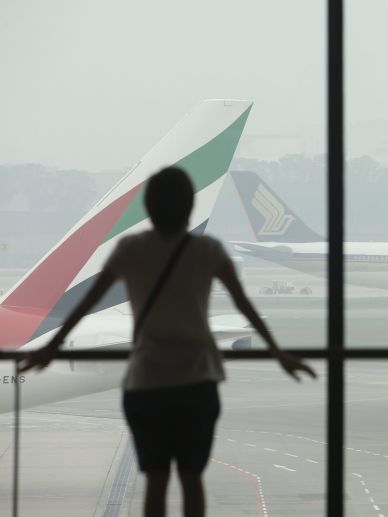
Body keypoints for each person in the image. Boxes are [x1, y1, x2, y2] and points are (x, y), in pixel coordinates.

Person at [20, 166, 316, 517]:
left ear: (150, 205)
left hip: (147, 381)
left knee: (156, 481)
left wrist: (50, 349)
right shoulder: (207, 250)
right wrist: (279, 353)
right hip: (196, 379)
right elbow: (244, 305)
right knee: (192, 480)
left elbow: (85, 303)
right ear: (189, 206)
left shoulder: (131, 248)